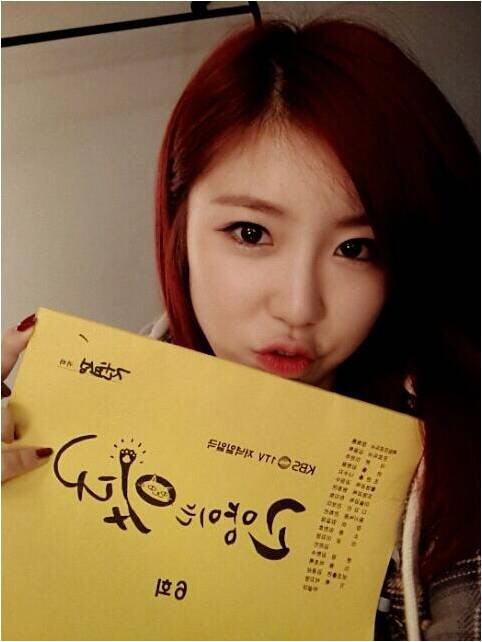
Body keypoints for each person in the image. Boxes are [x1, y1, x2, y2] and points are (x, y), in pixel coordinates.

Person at [2, 17, 479, 641]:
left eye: (357, 248)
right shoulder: (62, 428)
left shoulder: (456, 468)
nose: (299, 306)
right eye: (251, 233)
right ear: (180, 225)